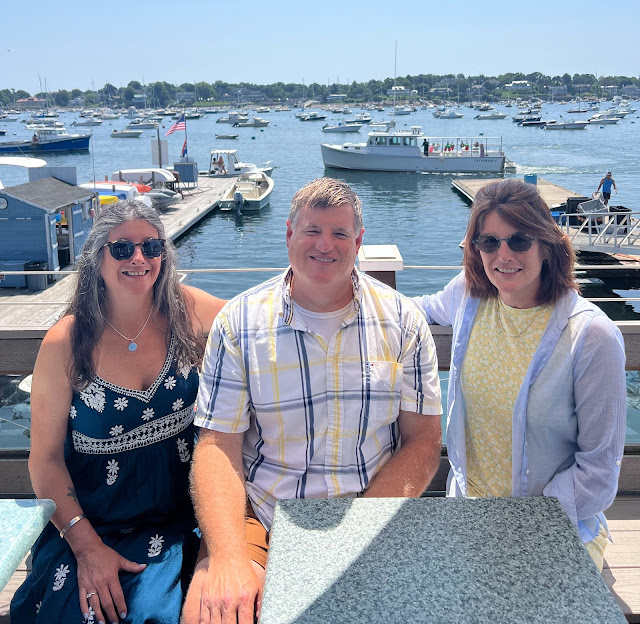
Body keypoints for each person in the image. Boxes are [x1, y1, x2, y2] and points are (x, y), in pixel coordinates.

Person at [183, 177, 443, 624]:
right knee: (213, 614)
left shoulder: (404, 322)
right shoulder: (239, 323)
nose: (325, 244)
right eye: (312, 230)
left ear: (358, 242)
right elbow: (217, 448)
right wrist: (227, 556)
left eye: (340, 233)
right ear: (289, 234)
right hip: (262, 513)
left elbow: (422, 441)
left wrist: (359, 531)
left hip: (367, 509)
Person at [11, 200, 226, 624]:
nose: (139, 258)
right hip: (93, 525)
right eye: (122, 248)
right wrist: (88, 549)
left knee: (166, 613)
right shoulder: (67, 343)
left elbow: (258, 322)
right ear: (97, 258)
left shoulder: (185, 309)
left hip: (181, 519)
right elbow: (45, 460)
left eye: (151, 246)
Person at [414, 179, 626, 572]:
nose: (504, 254)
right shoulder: (469, 296)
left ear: (546, 245)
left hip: (553, 525)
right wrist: (342, 294)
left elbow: (598, 474)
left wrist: (520, 523)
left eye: (519, 240)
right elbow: (416, 310)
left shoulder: (592, 337)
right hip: (470, 514)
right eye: (489, 242)